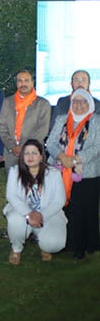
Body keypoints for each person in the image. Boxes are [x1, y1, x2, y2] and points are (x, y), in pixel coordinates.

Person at [47, 89, 100, 259]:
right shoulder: (62, 119)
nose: (78, 105)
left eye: (83, 101)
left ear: (89, 104)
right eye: (75, 101)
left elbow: (97, 147)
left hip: (87, 173)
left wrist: (76, 160)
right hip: (60, 171)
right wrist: (62, 157)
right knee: (63, 208)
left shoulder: (96, 121)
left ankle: (82, 246)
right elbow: (50, 143)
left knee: (83, 210)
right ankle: (64, 242)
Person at [4, 139, 67, 264]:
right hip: (22, 213)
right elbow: (12, 196)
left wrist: (41, 215)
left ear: (41, 157)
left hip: (47, 213)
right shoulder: (15, 171)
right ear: (22, 156)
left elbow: (59, 200)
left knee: (54, 243)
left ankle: (45, 245)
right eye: (27, 153)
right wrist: (29, 213)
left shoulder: (53, 173)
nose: (30, 156)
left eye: (34, 153)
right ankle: (16, 249)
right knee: (15, 220)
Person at [0, 69, 51, 171]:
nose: (23, 84)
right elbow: (2, 126)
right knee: (13, 185)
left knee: (34, 185)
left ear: (32, 83)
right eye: (20, 81)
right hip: (12, 153)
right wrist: (12, 146)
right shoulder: (7, 102)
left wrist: (25, 148)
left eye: (26, 80)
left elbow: (42, 130)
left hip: (33, 153)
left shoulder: (42, 104)